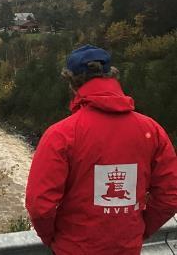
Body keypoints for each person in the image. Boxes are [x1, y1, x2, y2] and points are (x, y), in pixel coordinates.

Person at [25, 45, 177, 254]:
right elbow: (170, 195)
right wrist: (139, 231)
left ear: (71, 84)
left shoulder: (61, 134)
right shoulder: (151, 130)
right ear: (111, 76)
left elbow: (40, 207)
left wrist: (54, 239)